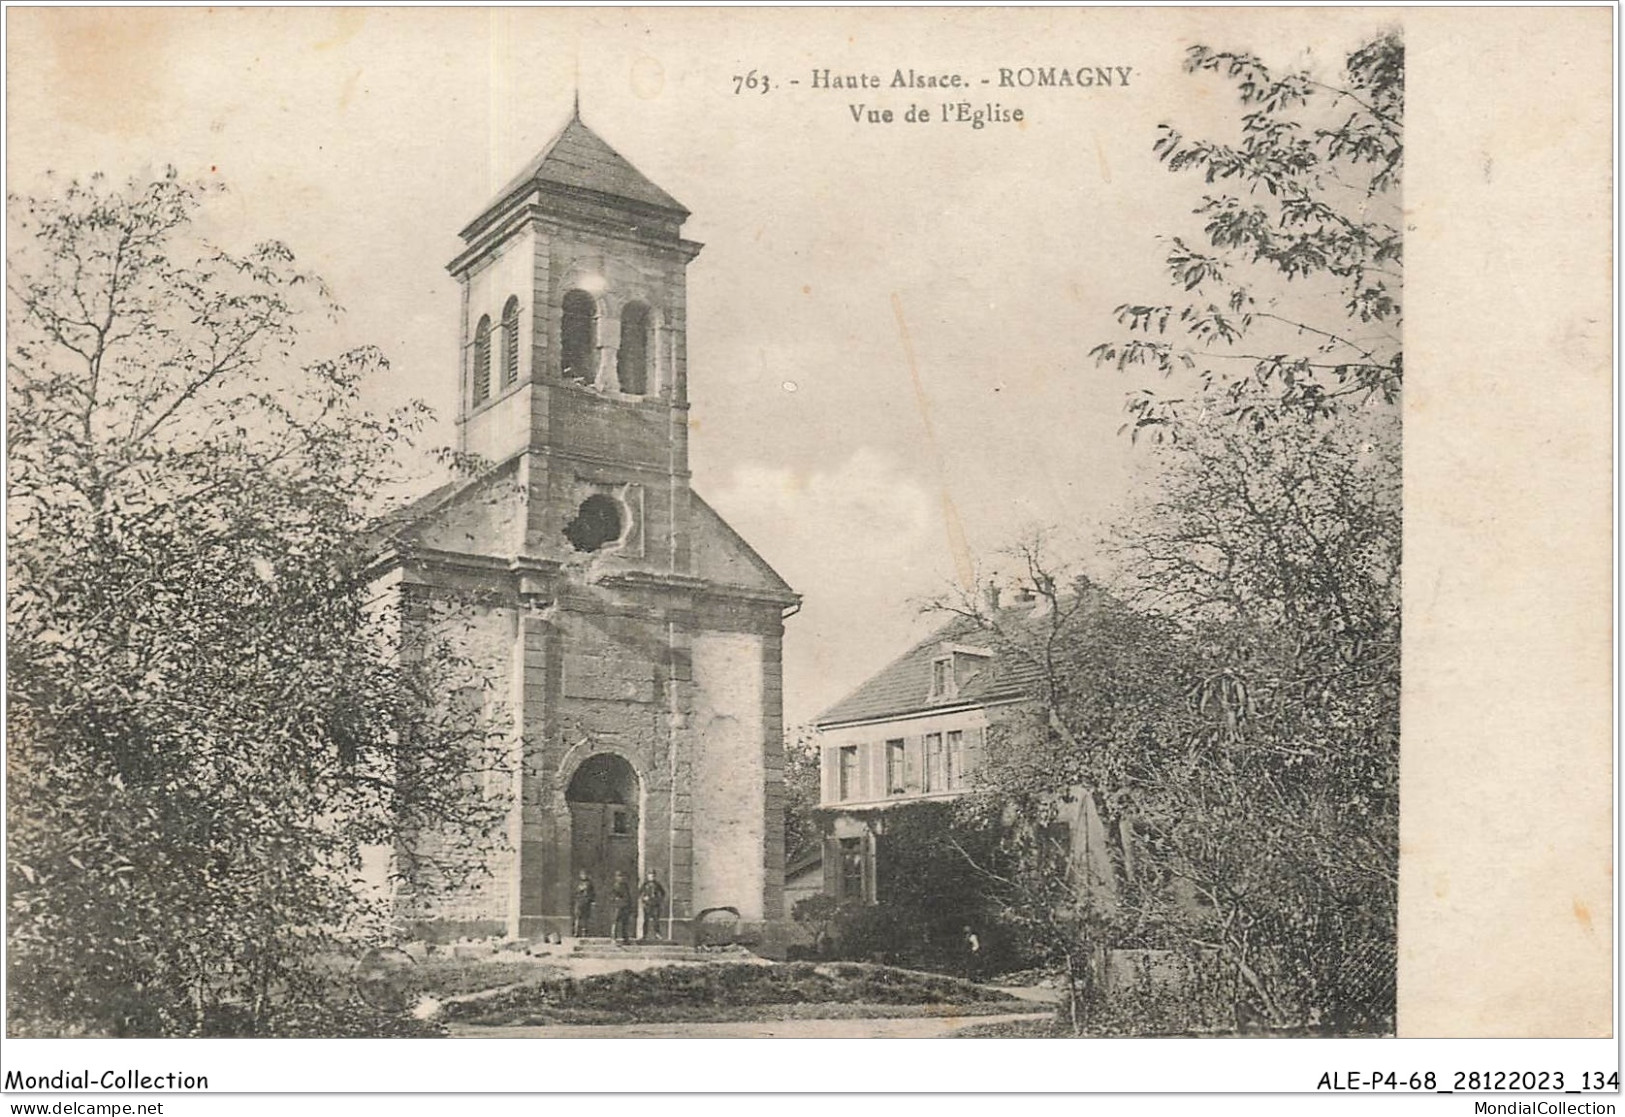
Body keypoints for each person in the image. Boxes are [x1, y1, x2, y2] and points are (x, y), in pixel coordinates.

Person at [638, 869, 667, 940]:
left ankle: (657, 934)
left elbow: (663, 893)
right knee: (646, 920)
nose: (651, 876)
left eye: (653, 875)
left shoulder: (657, 884)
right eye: (650, 875)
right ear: (647, 876)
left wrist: (659, 900)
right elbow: (639, 893)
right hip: (647, 905)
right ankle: (644, 935)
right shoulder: (645, 884)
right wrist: (644, 898)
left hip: (655, 905)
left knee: (656, 920)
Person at [610, 870, 634, 944]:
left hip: (625, 907)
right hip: (618, 907)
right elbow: (612, 896)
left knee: (625, 923)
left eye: (622, 876)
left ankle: (625, 938)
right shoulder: (615, 886)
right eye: (619, 876)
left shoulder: (625, 886)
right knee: (615, 922)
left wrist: (630, 906)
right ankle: (613, 938)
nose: (621, 878)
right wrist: (616, 899)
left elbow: (628, 896)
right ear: (616, 877)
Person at [571, 870, 595, 937]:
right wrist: (579, 890)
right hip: (579, 902)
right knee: (577, 917)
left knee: (585, 918)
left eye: (585, 874)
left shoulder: (589, 884)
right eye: (582, 874)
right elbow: (575, 892)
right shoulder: (577, 883)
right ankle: (576, 932)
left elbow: (592, 893)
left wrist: (592, 901)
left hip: (586, 902)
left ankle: (584, 932)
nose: (583, 876)